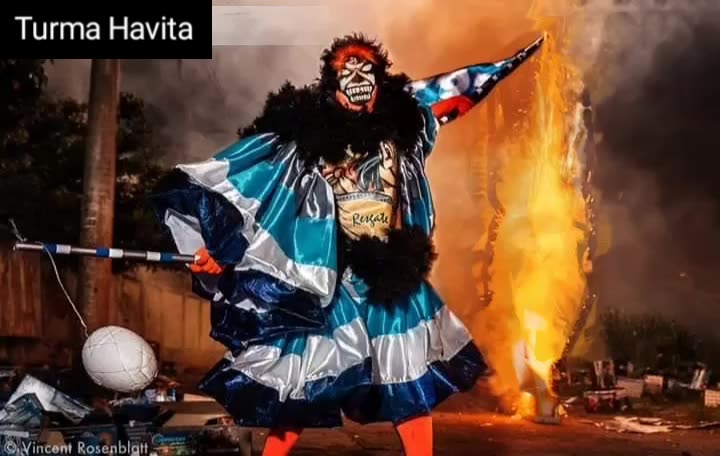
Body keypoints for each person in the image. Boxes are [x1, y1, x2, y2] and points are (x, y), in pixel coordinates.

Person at [151, 33, 544, 456]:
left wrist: (503, 67)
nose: (357, 80)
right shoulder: (303, 144)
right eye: (346, 73)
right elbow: (255, 192)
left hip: (389, 279)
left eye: (366, 72)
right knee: (303, 382)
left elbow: (454, 93)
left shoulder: (404, 132)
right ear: (331, 86)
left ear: (380, 82)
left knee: (406, 376)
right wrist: (219, 250)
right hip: (329, 280)